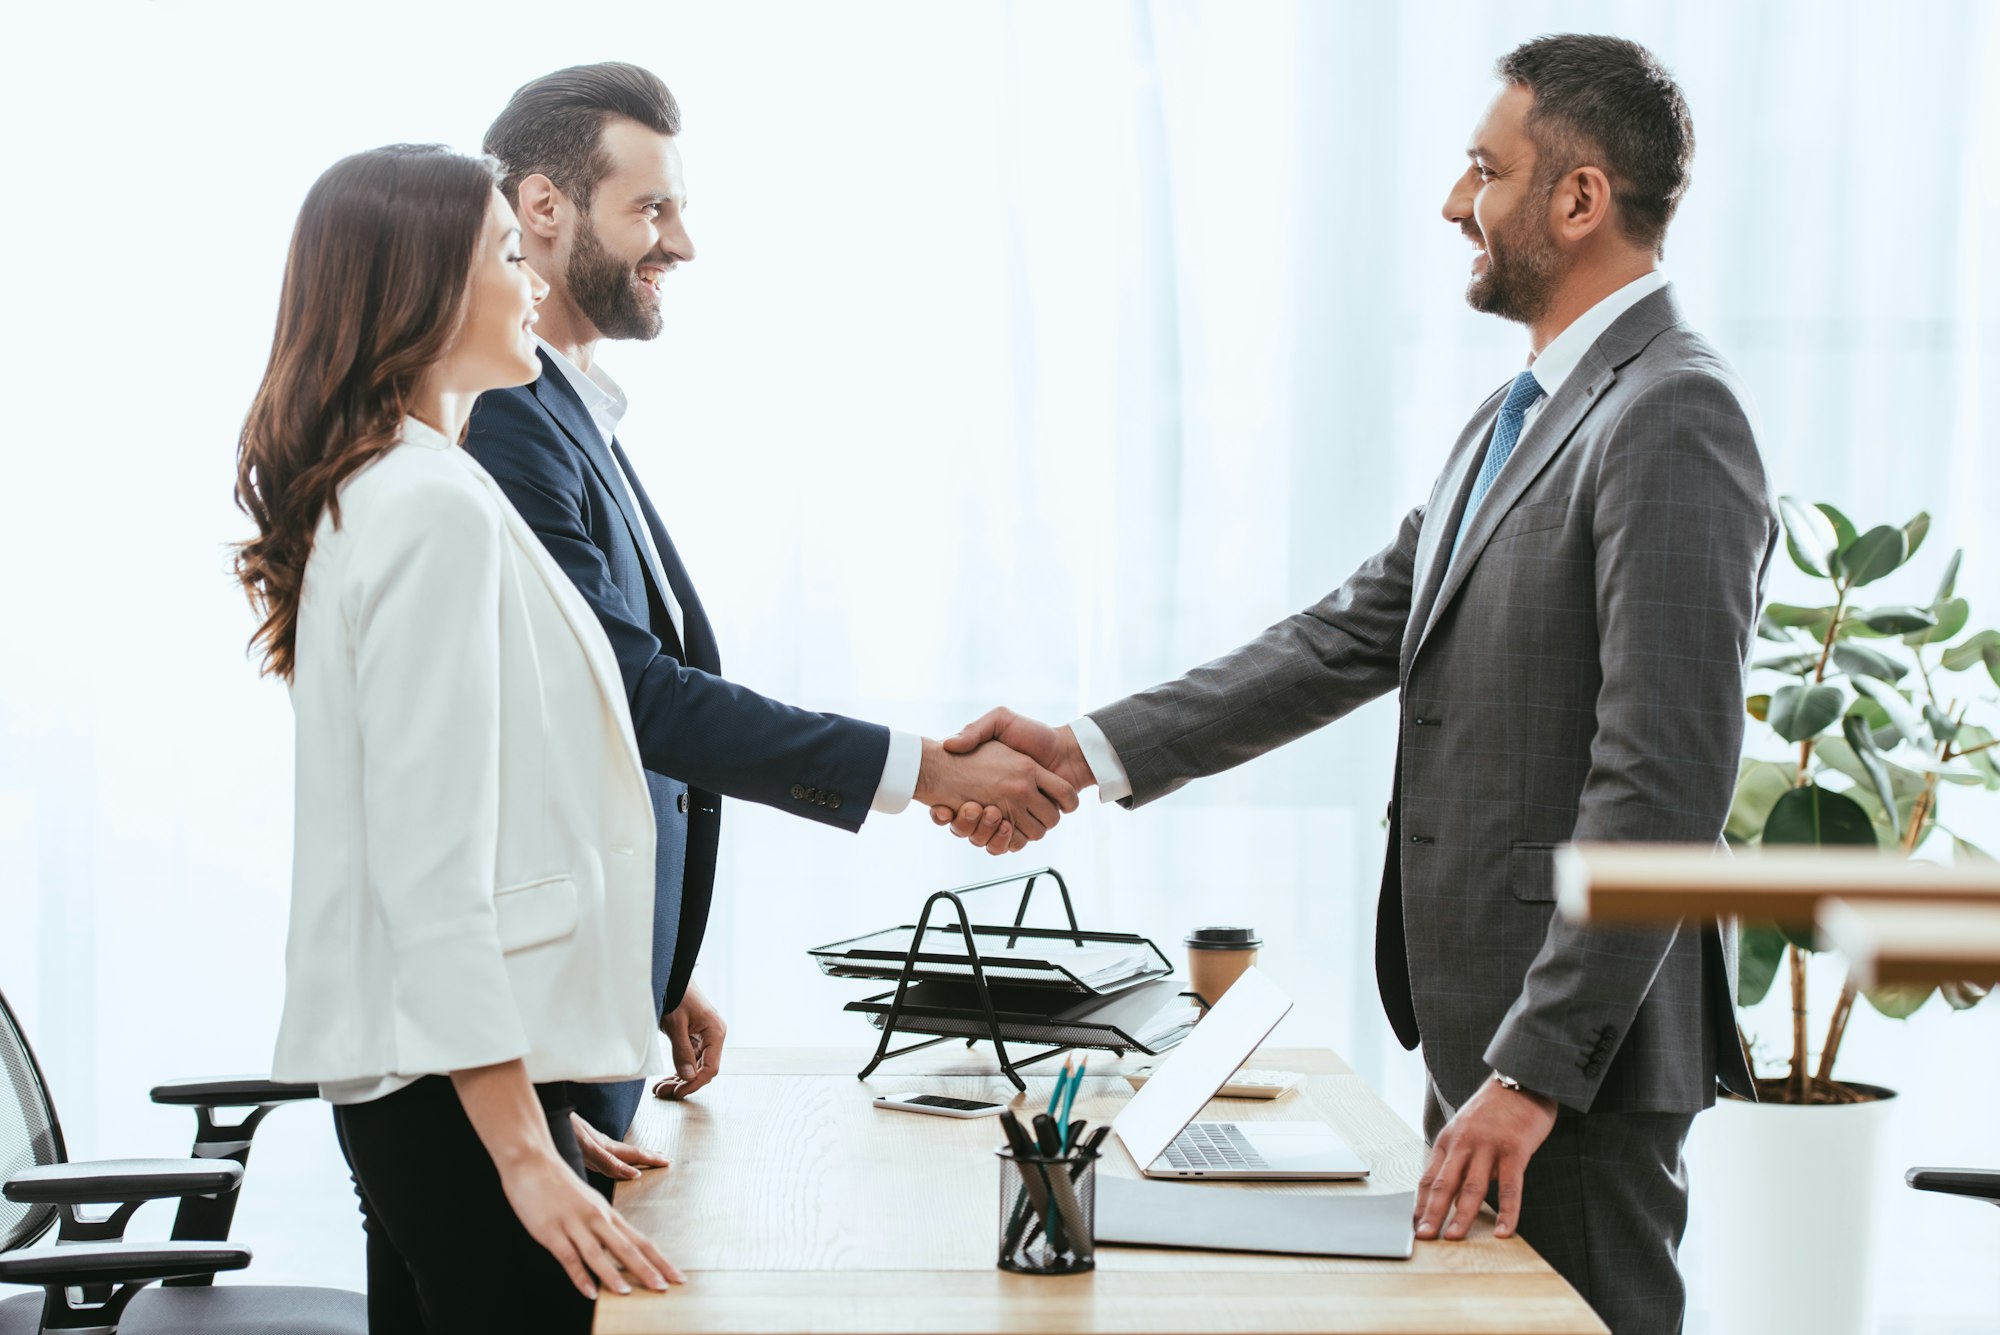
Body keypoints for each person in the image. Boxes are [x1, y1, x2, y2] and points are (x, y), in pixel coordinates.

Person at [937, 34, 1775, 1335]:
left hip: (1574, 1061)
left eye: (1484, 170)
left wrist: (1537, 1072)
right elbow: (1341, 635)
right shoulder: (1519, 417)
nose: (1455, 203)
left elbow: (1663, 781)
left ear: (1578, 198)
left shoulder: (1672, 411)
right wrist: (1084, 748)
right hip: (1494, 1034)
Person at [464, 62, 1076, 1168]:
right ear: (542, 210)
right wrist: (929, 772)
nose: (681, 243)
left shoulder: (568, 415)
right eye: (650, 208)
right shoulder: (506, 422)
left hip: (583, 1016)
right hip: (518, 1057)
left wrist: (648, 964)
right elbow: (627, 696)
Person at [236, 144, 676, 1332]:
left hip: (439, 1082)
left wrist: (530, 1098)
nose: (528, 273)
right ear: (417, 292)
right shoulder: (427, 505)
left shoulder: (397, 483)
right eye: (497, 251)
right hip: (446, 1095)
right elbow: (430, 869)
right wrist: (517, 1148)